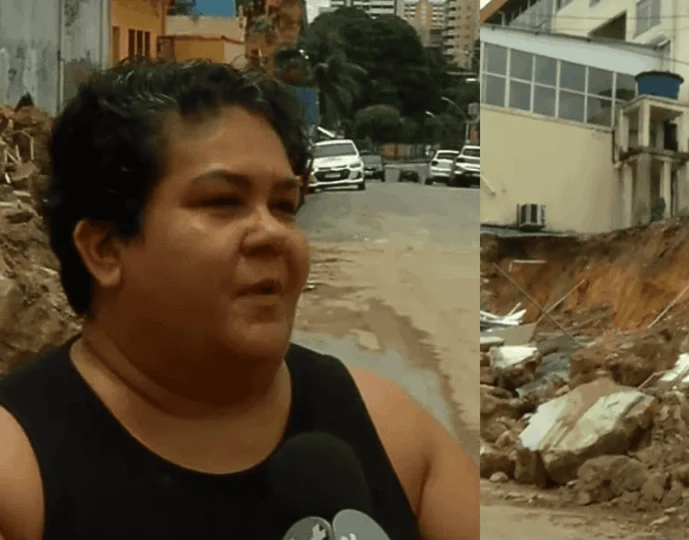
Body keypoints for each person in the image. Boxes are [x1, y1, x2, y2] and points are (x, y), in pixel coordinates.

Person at [0, 59, 479, 540]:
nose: (273, 234)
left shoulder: (390, 433)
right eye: (222, 202)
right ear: (105, 249)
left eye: (284, 207)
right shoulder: (16, 470)